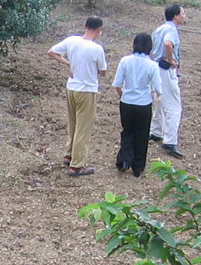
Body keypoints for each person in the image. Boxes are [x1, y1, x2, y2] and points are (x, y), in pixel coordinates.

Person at [47, 16, 108, 176]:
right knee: (83, 128)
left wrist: (69, 64)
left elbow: (51, 52)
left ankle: (69, 154)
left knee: (73, 123)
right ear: (99, 30)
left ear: (85, 26)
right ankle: (77, 165)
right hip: (87, 90)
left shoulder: (72, 41)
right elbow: (103, 71)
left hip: (71, 88)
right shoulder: (97, 49)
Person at [113, 32, 164, 177]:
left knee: (127, 132)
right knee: (142, 135)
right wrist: (155, 97)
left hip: (126, 102)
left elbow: (117, 84)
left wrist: (123, 95)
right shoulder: (152, 65)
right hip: (143, 104)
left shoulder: (125, 61)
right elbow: (158, 88)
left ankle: (124, 160)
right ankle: (138, 166)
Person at [149, 4, 186, 159]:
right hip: (166, 70)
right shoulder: (171, 30)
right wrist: (171, 60)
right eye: (182, 13)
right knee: (174, 107)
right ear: (175, 16)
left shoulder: (158, 29)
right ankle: (170, 141)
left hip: (155, 68)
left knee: (158, 101)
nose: (184, 16)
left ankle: (156, 131)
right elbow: (167, 44)